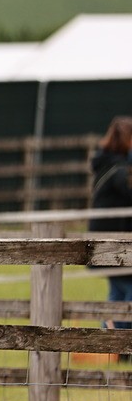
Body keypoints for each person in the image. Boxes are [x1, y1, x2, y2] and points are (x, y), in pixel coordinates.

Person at [88, 116, 132, 333]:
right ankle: (119, 339)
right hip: (117, 244)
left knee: (117, 290)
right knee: (127, 288)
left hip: (102, 241)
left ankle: (109, 337)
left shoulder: (105, 164)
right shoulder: (120, 170)